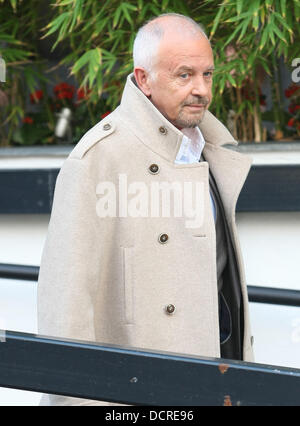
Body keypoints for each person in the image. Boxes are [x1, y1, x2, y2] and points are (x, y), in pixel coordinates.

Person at [38, 13, 254, 406]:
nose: (201, 90)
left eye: (207, 74)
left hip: (216, 375)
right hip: (139, 393)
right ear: (144, 79)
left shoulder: (211, 149)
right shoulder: (99, 157)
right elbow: (65, 304)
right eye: (184, 75)